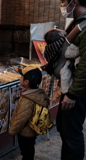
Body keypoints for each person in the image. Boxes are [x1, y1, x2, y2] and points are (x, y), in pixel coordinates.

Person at [56, 0, 86, 159]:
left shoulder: (85, 26)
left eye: (63, 2)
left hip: (77, 89)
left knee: (72, 133)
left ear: (74, 2)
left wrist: (72, 94)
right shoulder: (78, 23)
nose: (62, 6)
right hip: (72, 88)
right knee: (65, 128)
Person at [9, 66, 49, 160]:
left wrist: (13, 130)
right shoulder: (38, 94)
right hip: (32, 130)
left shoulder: (27, 100)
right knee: (30, 149)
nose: (20, 78)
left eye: (21, 77)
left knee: (26, 151)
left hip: (25, 132)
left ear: (26, 82)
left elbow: (21, 118)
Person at [43, 20, 86, 94]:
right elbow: (78, 28)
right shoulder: (64, 43)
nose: (64, 30)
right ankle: (66, 92)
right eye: (61, 30)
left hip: (57, 71)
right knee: (66, 84)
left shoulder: (53, 47)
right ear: (60, 34)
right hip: (63, 72)